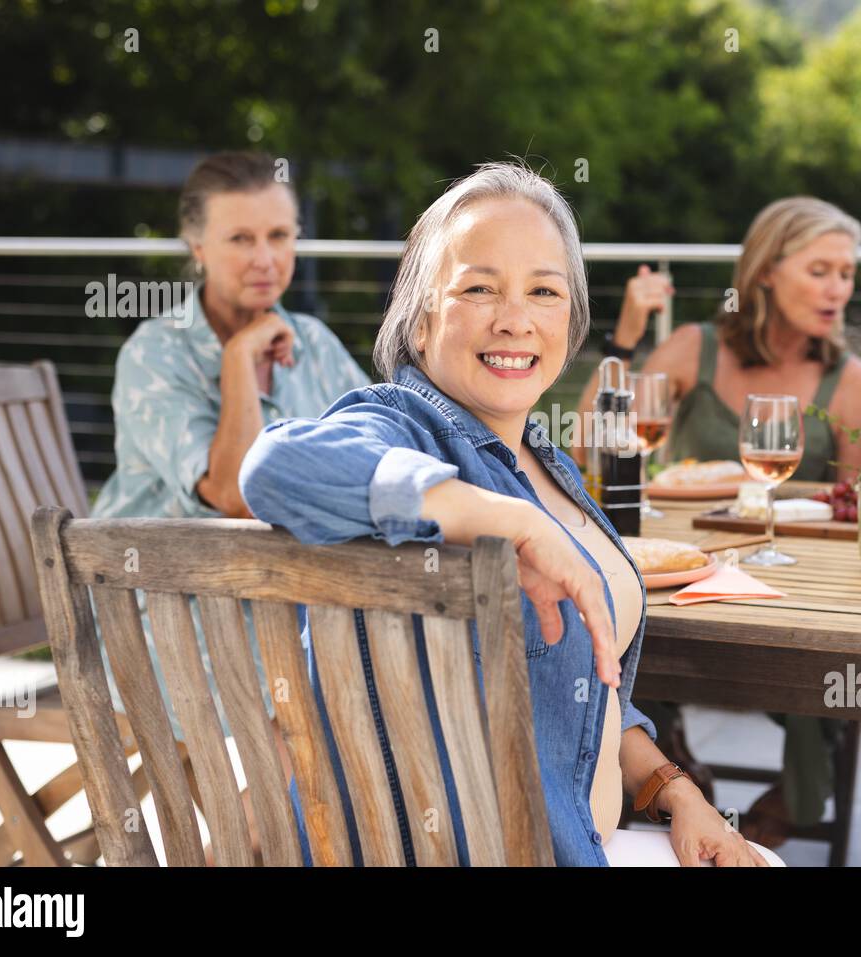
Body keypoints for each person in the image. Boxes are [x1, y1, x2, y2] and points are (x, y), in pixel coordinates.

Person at [239, 161, 785, 866]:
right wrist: (509, 522)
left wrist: (677, 791)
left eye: (543, 291)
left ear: (570, 316)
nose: (515, 319)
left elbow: (576, 693)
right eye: (478, 288)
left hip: (573, 836)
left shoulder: (542, 459)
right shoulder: (403, 424)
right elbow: (276, 466)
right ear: (423, 312)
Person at [572, 197, 861, 848]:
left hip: (795, 586)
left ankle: (791, 800)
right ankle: (667, 768)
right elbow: (591, 445)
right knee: (616, 636)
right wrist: (624, 338)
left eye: (846, 273)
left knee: (828, 665)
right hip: (686, 574)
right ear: (767, 270)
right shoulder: (693, 347)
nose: (837, 289)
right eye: (819, 269)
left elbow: (858, 505)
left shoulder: (848, 378)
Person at [93, 150, 370, 522]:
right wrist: (239, 355)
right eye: (240, 238)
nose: (265, 259)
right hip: (159, 573)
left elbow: (379, 451)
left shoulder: (313, 340)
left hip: (289, 568)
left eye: (278, 235)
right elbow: (236, 497)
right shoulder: (153, 353)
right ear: (198, 248)